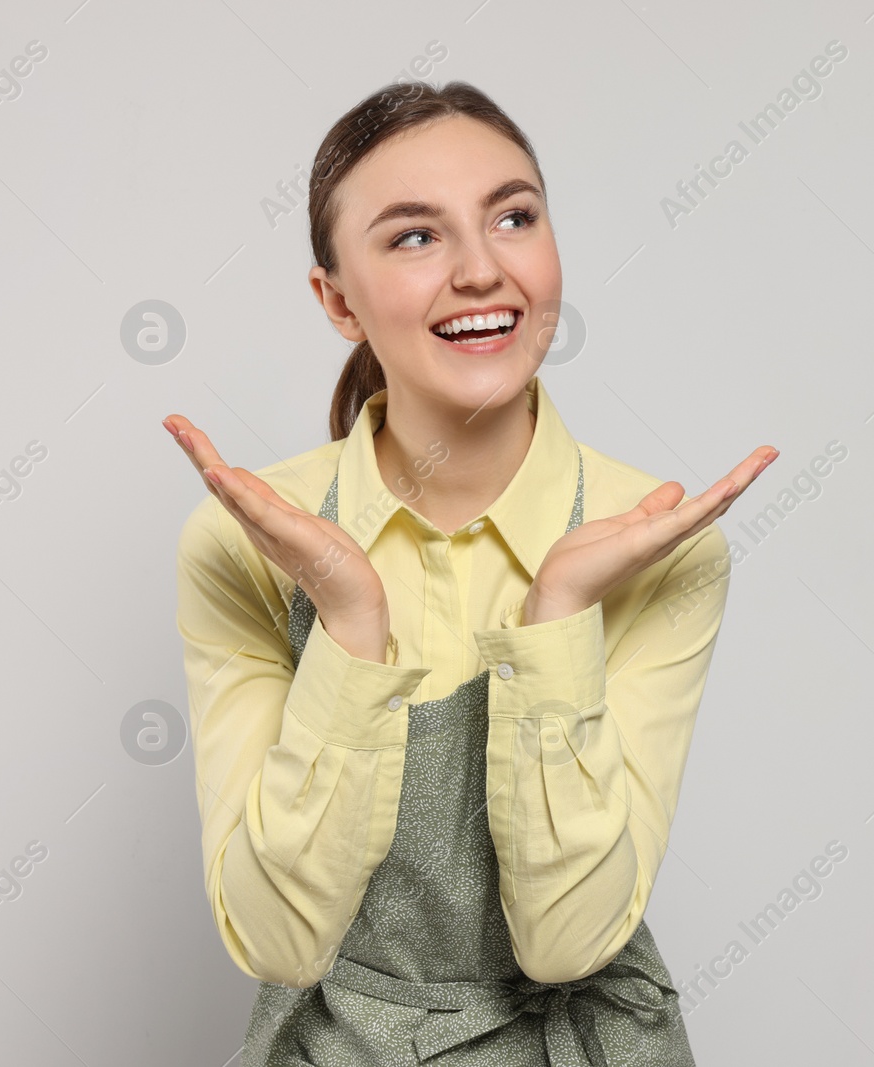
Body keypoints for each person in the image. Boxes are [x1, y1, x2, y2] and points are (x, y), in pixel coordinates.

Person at [166, 79, 774, 1065]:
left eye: (513, 216)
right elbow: (281, 940)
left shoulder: (656, 541)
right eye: (415, 236)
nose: (483, 268)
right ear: (336, 299)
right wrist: (350, 624)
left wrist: (559, 612)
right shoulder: (248, 540)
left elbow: (569, 938)